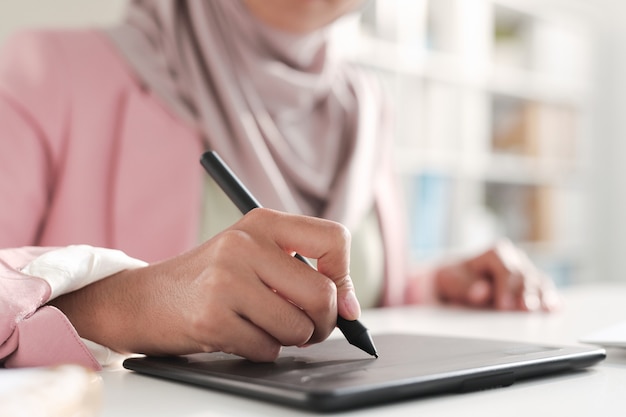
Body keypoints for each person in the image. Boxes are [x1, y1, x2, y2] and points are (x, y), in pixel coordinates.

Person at [0, 0, 559, 370]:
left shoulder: (364, 107)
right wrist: (133, 305)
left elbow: (338, 294)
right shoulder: (43, 69)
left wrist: (436, 288)